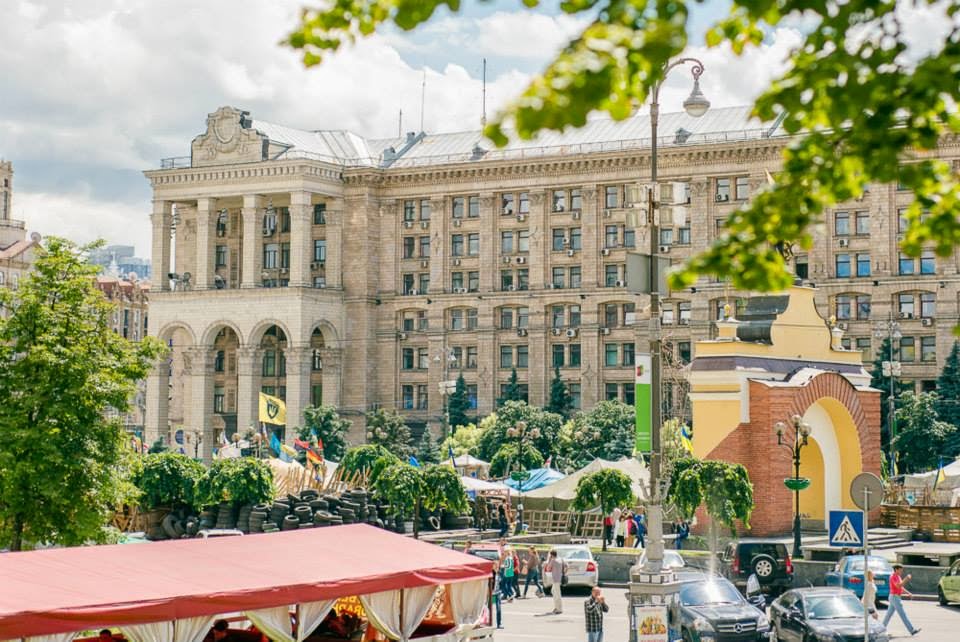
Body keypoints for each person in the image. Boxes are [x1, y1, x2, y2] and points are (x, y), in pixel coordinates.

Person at [883, 564, 920, 635]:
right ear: (896, 569)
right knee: (903, 614)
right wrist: (906, 579)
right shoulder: (893, 576)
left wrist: (908, 593)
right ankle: (912, 630)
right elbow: (898, 586)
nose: (901, 571)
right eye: (900, 570)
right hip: (894, 597)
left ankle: (881, 629)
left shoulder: (898, 576)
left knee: (888, 615)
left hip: (895, 597)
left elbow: (901, 587)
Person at [545, 549, 568, 614]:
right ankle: (556, 607)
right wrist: (563, 573)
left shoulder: (553, 560)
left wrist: (549, 560)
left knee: (557, 594)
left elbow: (548, 569)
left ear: (551, 555)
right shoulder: (561, 559)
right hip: (560, 578)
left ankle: (559, 609)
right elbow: (567, 566)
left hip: (555, 579)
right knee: (553, 591)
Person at [491, 559, 503, 629]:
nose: (496, 567)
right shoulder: (490, 574)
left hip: (498, 593)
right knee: (488, 609)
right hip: (491, 593)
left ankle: (499, 624)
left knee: (498, 609)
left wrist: (502, 591)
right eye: (495, 565)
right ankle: (487, 623)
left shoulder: (500, 573)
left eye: (497, 566)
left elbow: (502, 583)